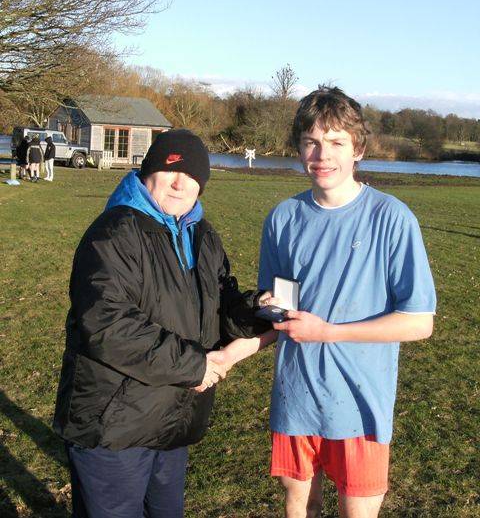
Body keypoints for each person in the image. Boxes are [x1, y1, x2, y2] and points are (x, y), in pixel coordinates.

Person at [218, 86, 436, 518]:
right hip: (297, 397)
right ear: (298, 147)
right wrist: (254, 323)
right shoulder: (282, 218)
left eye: (336, 142)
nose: (323, 154)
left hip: (360, 404)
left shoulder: (391, 218)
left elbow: (419, 323)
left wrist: (329, 332)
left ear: (358, 148)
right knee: (300, 504)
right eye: (311, 142)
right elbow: (280, 312)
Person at [53, 128, 269, 518]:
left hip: (171, 418)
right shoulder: (115, 233)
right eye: (171, 170)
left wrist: (255, 310)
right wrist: (195, 366)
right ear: (148, 170)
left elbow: (219, 301)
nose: (179, 183)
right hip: (114, 424)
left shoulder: (202, 235)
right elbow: (108, 326)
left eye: (192, 177)